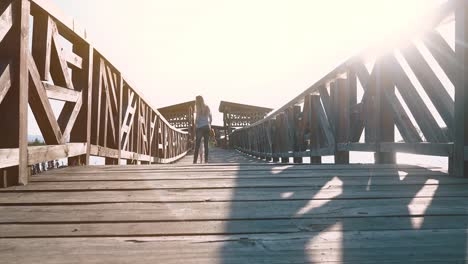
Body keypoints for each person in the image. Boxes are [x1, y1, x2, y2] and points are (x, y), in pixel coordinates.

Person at [193, 95, 212, 164]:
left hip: (200, 128)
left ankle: (195, 161)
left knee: (197, 145)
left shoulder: (198, 108)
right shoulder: (207, 107)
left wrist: (196, 124)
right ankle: (206, 161)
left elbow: (197, 119)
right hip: (207, 127)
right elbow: (210, 117)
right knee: (206, 145)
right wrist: (209, 123)